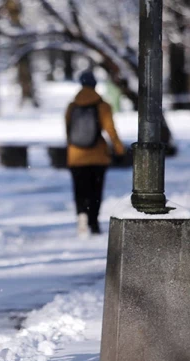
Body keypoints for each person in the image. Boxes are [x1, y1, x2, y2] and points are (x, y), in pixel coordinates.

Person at [66, 70, 124, 236]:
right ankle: (94, 221)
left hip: (76, 156)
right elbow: (110, 130)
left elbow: (68, 131)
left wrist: (71, 151)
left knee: (79, 189)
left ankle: (81, 216)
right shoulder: (102, 105)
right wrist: (119, 150)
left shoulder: (72, 106)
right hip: (98, 156)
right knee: (95, 191)